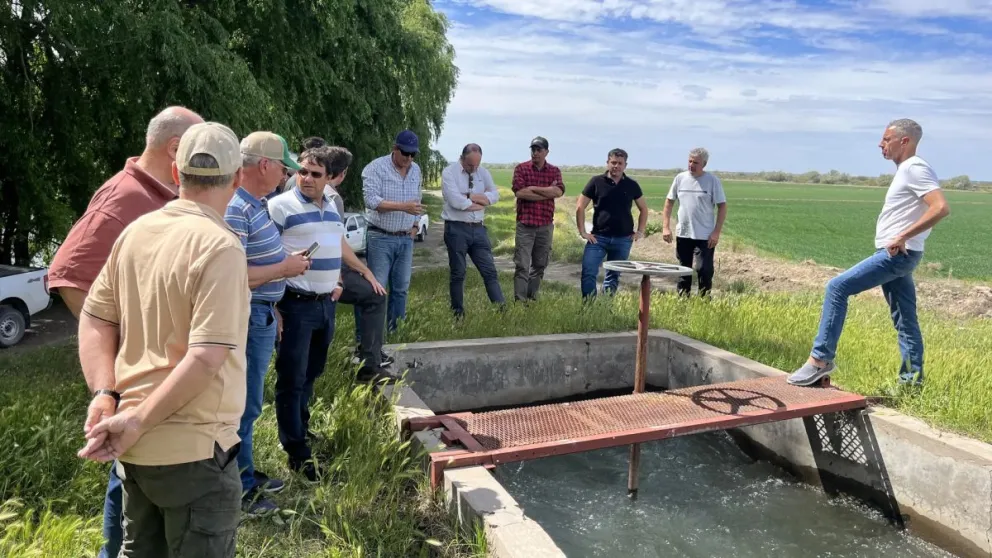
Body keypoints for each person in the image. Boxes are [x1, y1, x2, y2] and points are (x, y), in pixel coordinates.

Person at [76, 121, 249, 558]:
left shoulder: (136, 232)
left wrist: (104, 394)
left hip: (135, 450)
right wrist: (136, 420)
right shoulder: (221, 246)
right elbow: (206, 357)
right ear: (237, 179)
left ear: (176, 173)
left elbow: (95, 318)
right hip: (194, 452)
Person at [47, 105, 203, 558]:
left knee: (139, 474)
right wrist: (120, 353)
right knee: (129, 475)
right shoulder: (125, 196)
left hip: (166, 375)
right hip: (137, 378)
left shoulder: (162, 195)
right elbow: (68, 275)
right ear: (176, 148)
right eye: (198, 148)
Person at [788, 119, 950, 388]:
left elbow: (940, 207)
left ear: (904, 141)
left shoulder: (915, 168)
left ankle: (820, 360)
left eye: (886, 139)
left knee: (837, 287)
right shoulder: (907, 169)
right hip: (901, 253)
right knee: (905, 320)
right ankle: (911, 383)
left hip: (898, 254)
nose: (880, 144)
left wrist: (902, 236)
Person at [268, 146, 389, 481]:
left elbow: (335, 245)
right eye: (302, 172)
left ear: (328, 178)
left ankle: (301, 429)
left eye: (315, 174)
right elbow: (263, 255)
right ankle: (297, 453)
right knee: (292, 378)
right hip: (294, 305)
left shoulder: (332, 208)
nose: (306, 179)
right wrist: (274, 305)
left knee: (311, 372)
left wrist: (342, 277)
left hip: (324, 305)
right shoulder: (280, 207)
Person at [224, 131, 309, 515]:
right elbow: (232, 274)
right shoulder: (236, 209)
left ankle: (244, 472)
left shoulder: (255, 204)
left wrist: (272, 303)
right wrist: (285, 269)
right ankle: (238, 487)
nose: (287, 175)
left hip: (260, 311)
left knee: (251, 403)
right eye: (283, 168)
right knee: (243, 404)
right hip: (246, 316)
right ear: (264, 165)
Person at [359, 130, 423, 334]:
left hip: (406, 237)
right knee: (377, 289)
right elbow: (371, 201)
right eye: (405, 153)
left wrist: (415, 226)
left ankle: (395, 332)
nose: (409, 158)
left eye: (413, 154)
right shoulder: (376, 168)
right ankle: (371, 336)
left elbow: (418, 200)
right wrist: (403, 207)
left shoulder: (416, 170)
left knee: (401, 288)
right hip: (381, 236)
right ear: (395, 148)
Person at [440, 143, 503, 317]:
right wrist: (478, 202)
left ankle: (502, 311)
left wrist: (469, 196)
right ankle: (458, 315)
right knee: (458, 273)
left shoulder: (483, 172)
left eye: (477, 164)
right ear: (462, 158)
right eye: (470, 165)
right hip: (456, 229)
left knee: (490, 271)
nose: (474, 168)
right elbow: (456, 201)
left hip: (478, 229)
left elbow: (495, 196)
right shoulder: (449, 172)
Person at [576, 148, 648, 298]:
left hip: (623, 239)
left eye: (620, 163)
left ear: (625, 165)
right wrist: (582, 232)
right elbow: (580, 207)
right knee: (588, 272)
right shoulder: (596, 182)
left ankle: (606, 306)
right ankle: (588, 306)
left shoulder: (631, 185)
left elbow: (643, 209)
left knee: (613, 276)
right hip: (598, 238)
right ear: (607, 163)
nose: (616, 166)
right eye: (613, 162)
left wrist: (640, 231)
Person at [661, 147, 727, 297]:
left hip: (705, 235)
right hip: (684, 233)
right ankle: (683, 300)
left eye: (695, 162)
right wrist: (666, 227)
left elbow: (722, 207)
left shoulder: (712, 181)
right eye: (690, 161)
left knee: (704, 270)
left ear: (704, 164)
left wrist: (716, 232)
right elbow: (669, 202)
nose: (691, 165)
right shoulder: (680, 178)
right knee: (684, 270)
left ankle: (703, 302)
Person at [511, 136, 564, 301]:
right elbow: (520, 192)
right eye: (533, 149)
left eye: (539, 150)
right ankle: (520, 301)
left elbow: (558, 191)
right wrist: (547, 192)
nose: (535, 153)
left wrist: (533, 188)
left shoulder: (554, 171)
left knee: (540, 264)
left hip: (545, 225)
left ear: (546, 152)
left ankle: (531, 298)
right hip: (525, 225)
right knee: (522, 264)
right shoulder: (521, 169)